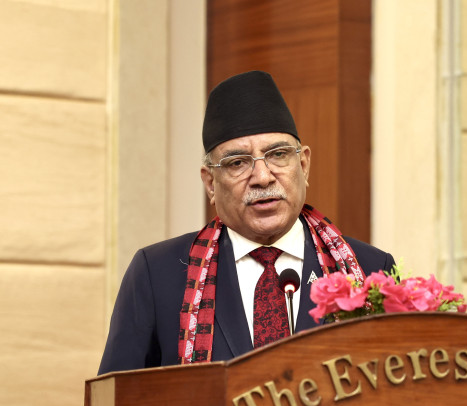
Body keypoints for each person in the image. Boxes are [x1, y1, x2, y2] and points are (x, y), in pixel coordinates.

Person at [98, 71, 395, 374]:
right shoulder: (158, 274)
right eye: (237, 162)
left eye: (278, 155)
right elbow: (116, 399)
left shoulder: (371, 270)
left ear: (303, 166)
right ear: (210, 183)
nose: (263, 177)